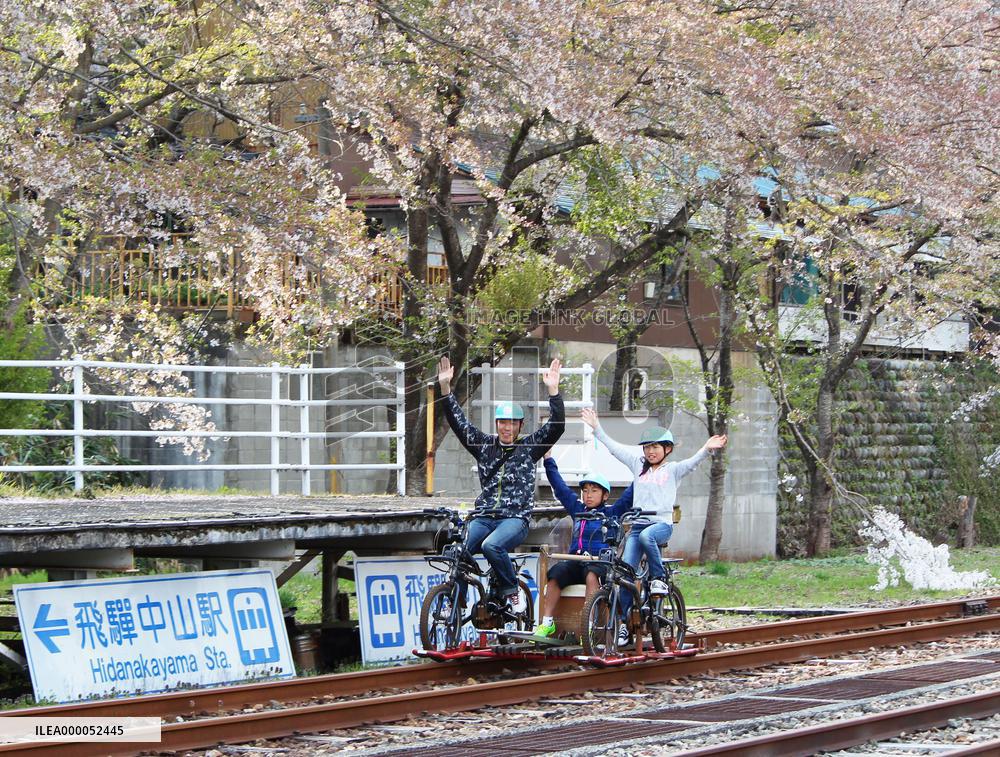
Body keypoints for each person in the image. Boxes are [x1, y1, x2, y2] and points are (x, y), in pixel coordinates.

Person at [437, 355, 564, 604]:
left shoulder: (530, 447)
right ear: (497, 424)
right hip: (484, 516)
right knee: (458, 551)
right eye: (503, 422)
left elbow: (556, 426)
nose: (507, 428)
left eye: (512, 423)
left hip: (514, 519)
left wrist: (553, 391)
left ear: (520, 426)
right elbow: (458, 422)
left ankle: (510, 588)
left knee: (491, 546)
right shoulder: (484, 446)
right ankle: (456, 603)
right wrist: (445, 389)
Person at [580, 407, 727, 598]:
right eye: (647, 447)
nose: (651, 451)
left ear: (667, 449)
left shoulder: (673, 470)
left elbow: (692, 462)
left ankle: (659, 578)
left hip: (661, 525)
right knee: (625, 574)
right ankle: (624, 623)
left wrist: (707, 449)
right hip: (637, 526)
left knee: (646, 536)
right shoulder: (637, 465)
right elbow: (615, 449)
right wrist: (597, 428)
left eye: (655, 447)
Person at [533, 452, 634, 637]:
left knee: (591, 574)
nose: (588, 495)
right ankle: (547, 623)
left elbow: (629, 496)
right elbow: (560, 488)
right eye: (585, 490)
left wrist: (645, 470)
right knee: (555, 574)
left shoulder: (612, 512)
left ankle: (589, 627)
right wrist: (548, 459)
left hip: (600, 565)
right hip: (576, 561)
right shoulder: (578, 510)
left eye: (594, 491)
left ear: (605, 495)